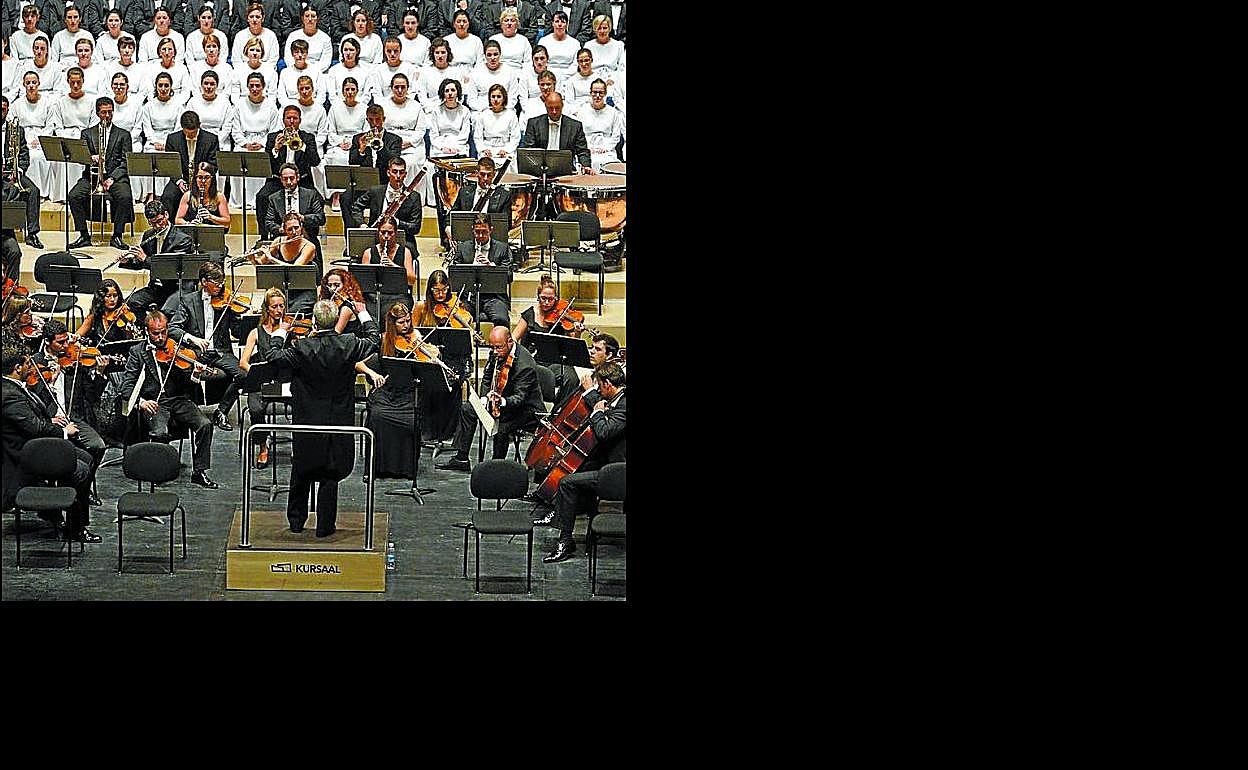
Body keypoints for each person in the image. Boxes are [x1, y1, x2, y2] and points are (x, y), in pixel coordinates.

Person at [264, 298, 378, 537]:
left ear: (314, 321)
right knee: (330, 473)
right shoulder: (348, 343)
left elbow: (272, 355)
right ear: (337, 321)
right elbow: (374, 340)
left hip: (307, 419)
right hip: (338, 419)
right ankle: (325, 527)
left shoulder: (303, 347)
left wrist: (281, 331)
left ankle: (296, 522)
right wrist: (363, 314)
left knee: (302, 467)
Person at [2, 336, 100, 542]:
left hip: (35, 445)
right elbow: (35, 428)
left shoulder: (14, 386)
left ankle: (57, 511)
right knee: (80, 471)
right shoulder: (8, 394)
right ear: (18, 367)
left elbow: (33, 418)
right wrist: (65, 432)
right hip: (24, 455)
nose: (32, 365)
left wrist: (51, 420)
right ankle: (76, 528)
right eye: (28, 363)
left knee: (87, 457)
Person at [532, 360, 625, 562]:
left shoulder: (624, 404)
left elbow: (604, 431)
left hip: (618, 470)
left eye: (599, 386)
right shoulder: (616, 399)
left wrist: (598, 411)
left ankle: (565, 540)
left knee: (567, 483)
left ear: (608, 384)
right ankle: (567, 515)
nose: (598, 391)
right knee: (573, 472)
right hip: (605, 462)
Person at [117, 308, 219, 488]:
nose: (161, 337)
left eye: (164, 331)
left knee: (205, 425)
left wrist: (196, 374)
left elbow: (189, 382)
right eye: (156, 333)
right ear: (147, 331)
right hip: (155, 402)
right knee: (159, 432)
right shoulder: (137, 352)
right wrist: (142, 402)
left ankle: (199, 472)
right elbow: (125, 386)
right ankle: (160, 470)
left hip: (178, 399)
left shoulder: (176, 347)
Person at [436, 323, 543, 471]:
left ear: (510, 342)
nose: (494, 351)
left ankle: (495, 467)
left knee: (502, 427)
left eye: (498, 347)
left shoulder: (525, 365)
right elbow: (487, 377)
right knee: (468, 409)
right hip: (499, 399)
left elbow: (520, 398)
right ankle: (461, 458)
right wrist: (485, 397)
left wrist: (501, 401)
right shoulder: (497, 352)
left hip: (526, 410)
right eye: (491, 347)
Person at [160, 261, 244, 432]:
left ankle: (221, 411)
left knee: (243, 374)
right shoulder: (189, 301)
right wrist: (193, 339)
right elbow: (173, 328)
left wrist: (236, 315)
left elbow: (236, 332)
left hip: (221, 351)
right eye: (216, 282)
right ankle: (187, 411)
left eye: (222, 282)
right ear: (204, 282)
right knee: (180, 369)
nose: (220, 286)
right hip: (197, 351)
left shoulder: (226, 302)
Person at [355, 301, 424, 480]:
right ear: (392, 323)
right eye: (401, 322)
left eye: (408, 321)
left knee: (411, 420)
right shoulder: (383, 339)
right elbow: (359, 364)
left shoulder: (415, 337)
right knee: (377, 416)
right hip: (386, 392)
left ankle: (406, 469)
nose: (406, 325)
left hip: (408, 393)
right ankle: (375, 468)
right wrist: (373, 374)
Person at [30, 318, 108, 476]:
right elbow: (33, 397)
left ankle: (85, 483)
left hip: (73, 417)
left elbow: (92, 395)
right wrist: (51, 380)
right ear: (47, 341)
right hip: (49, 419)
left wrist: (99, 373)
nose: (66, 346)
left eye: (67, 340)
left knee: (98, 446)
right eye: (60, 342)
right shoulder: (35, 363)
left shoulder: (75, 360)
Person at [66, 96, 134, 250]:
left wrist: (112, 178)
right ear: (97, 113)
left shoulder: (123, 135)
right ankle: (84, 235)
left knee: (125, 196)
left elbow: (125, 162)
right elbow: (82, 158)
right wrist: (90, 158)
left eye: (110, 112)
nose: (107, 116)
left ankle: (117, 236)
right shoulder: (87, 133)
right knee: (74, 196)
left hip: (115, 178)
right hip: (92, 177)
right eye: (103, 113)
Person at [121, 200, 193, 323]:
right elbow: (140, 263)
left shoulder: (182, 239)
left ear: (166, 215)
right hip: (155, 288)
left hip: (175, 288)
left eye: (160, 221)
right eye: (153, 223)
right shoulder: (148, 235)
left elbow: (170, 269)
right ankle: (146, 330)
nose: (158, 226)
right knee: (129, 304)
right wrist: (127, 260)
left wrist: (145, 258)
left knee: (164, 314)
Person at [253, 104, 320, 237]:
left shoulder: (308, 138)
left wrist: (303, 146)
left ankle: (310, 236)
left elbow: (315, 161)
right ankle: (264, 236)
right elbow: (267, 165)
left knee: (317, 198)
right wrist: (276, 149)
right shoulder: (273, 137)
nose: (291, 121)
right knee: (261, 197)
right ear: (283, 120)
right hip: (278, 180)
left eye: (295, 118)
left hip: (302, 180)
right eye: (288, 118)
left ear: (300, 120)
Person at [237, 285, 285, 468]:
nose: (279, 310)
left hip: (284, 380)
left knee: (302, 404)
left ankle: (300, 446)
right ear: (267, 308)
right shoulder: (256, 332)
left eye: (282, 306)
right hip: (263, 380)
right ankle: (263, 446)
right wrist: (258, 373)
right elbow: (243, 362)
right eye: (275, 306)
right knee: (255, 409)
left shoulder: (289, 329)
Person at [238, 210, 319, 311]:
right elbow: (260, 264)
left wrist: (271, 258)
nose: (294, 232)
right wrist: (252, 259)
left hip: (303, 292)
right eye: (290, 229)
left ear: (301, 227)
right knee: (268, 310)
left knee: (293, 312)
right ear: (284, 230)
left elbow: (295, 269)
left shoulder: (309, 246)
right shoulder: (278, 241)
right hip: (281, 290)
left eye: (296, 228)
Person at [342, 103, 404, 229]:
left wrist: (380, 145)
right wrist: (362, 149)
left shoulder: (394, 139)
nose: (374, 123)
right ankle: (353, 234)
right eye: (371, 120)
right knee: (346, 198)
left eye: (378, 119)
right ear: (367, 120)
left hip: (384, 185)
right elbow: (352, 162)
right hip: (363, 186)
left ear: (384, 119)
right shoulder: (358, 138)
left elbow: (394, 160)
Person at [227, 71, 279, 209]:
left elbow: (274, 130)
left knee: (260, 159)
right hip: (244, 143)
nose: (255, 89)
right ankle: (239, 201)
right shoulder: (239, 105)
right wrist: (245, 143)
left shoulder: (271, 106)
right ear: (247, 87)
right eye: (252, 86)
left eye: (258, 85)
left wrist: (262, 143)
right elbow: (235, 130)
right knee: (237, 158)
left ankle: (257, 201)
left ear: (263, 87)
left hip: (263, 143)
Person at [133, 71, 187, 204]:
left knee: (169, 156)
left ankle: (165, 194)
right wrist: (155, 142)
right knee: (150, 154)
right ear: (156, 87)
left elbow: (178, 128)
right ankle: (151, 193)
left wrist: (167, 143)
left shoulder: (178, 106)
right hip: (153, 141)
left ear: (171, 87)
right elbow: (147, 128)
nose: (163, 89)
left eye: (166, 86)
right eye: (160, 85)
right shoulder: (148, 106)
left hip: (171, 141)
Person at [449, 211, 512, 326]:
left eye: (484, 232)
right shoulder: (463, 248)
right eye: (477, 232)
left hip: (494, 297)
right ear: (472, 229)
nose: (481, 236)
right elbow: (454, 275)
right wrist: (471, 268)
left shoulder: (502, 249)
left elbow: (509, 276)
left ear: (491, 229)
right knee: (456, 319)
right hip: (469, 297)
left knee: (501, 320)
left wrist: (492, 267)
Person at [351, 157, 422, 257]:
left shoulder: (414, 197)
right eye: (394, 172)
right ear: (388, 173)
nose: (398, 176)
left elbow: (415, 228)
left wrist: (397, 222)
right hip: (376, 236)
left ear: (405, 174)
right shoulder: (376, 191)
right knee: (357, 251)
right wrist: (362, 224)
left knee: (408, 251)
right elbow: (356, 207)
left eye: (401, 172)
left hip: (401, 240)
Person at [0, 95, 44, 249]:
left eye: (3, 110)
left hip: (13, 173)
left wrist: (17, 170)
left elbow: (24, 155)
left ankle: (32, 234)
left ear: (7, 110)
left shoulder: (17, 130)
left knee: (33, 191)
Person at [158, 109, 219, 219]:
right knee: (168, 196)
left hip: (203, 179)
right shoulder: (172, 139)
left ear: (199, 126)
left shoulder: (211, 139)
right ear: (182, 128)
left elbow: (213, 165)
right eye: (187, 133)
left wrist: (199, 180)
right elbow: (170, 165)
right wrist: (179, 181)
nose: (190, 135)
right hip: (182, 179)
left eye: (194, 132)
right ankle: (170, 228)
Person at [520, 91, 592, 179]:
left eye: (557, 108)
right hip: (539, 173)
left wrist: (586, 165)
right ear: (545, 106)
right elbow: (528, 151)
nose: (554, 112)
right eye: (550, 108)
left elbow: (582, 151)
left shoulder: (575, 126)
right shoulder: (534, 124)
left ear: (562, 105)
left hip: (565, 173)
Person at [321, 76, 368, 212]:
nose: (350, 92)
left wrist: (355, 143)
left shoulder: (363, 108)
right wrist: (340, 142)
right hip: (338, 143)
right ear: (342, 91)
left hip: (357, 143)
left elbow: (365, 131)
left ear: (357, 91)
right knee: (338, 158)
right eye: (347, 89)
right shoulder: (335, 108)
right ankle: (337, 194)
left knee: (355, 158)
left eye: (353, 89)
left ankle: (356, 196)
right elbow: (330, 131)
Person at [8, 71, 54, 199]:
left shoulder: (48, 103)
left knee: (39, 156)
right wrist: (25, 141)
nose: (31, 86)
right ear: (23, 85)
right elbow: (13, 126)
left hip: (41, 139)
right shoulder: (16, 104)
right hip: (23, 140)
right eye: (28, 83)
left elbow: (50, 125)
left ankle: (42, 192)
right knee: (30, 157)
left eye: (34, 82)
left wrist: (40, 140)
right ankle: (28, 193)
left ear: (39, 84)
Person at [359, 216, 418, 312]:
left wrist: (393, 267)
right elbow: (364, 283)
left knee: (390, 310)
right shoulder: (368, 253)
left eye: (390, 233)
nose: (386, 236)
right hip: (374, 296)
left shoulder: (405, 252)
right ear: (378, 232)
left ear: (396, 233)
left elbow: (411, 280)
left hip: (398, 295)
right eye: (382, 232)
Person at [571, 77, 622, 171]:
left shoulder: (613, 112)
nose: (597, 95)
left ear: (605, 93)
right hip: (587, 150)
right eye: (594, 92)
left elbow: (616, 136)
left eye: (601, 92)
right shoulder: (582, 111)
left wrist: (605, 148)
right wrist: (588, 148)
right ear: (590, 93)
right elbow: (578, 136)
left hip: (607, 151)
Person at [466, 38, 517, 113]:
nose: (492, 58)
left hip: (504, 110)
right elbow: (471, 100)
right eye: (489, 55)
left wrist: (500, 109)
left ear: (500, 54)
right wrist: (486, 109)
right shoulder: (475, 72)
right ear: (484, 56)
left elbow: (513, 98)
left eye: (495, 54)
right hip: (482, 111)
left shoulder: (510, 72)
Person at [175, 160, 230, 227]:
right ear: (195, 179)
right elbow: (178, 220)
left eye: (207, 177)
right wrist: (189, 224)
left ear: (212, 179)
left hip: (213, 234)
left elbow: (227, 222)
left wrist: (211, 217)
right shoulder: (187, 196)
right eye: (200, 177)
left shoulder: (219, 196)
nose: (203, 181)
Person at [186, 37, 241, 103]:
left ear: (219, 50)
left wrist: (218, 103)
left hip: (221, 102)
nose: (211, 50)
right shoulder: (195, 67)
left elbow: (227, 91)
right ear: (204, 49)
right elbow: (194, 89)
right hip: (200, 101)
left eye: (214, 46)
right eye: (208, 46)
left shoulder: (227, 68)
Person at [365, 35, 419, 102]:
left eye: (395, 51)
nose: (392, 54)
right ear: (384, 51)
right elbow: (377, 95)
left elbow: (412, 93)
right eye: (389, 51)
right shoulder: (377, 70)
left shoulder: (410, 69)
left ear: (400, 51)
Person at [282, 7, 332, 75]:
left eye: (313, 16)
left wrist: (310, 71)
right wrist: (298, 69)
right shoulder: (293, 36)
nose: (310, 19)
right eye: (307, 16)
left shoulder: (325, 38)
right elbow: (288, 57)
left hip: (317, 73)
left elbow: (326, 62)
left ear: (317, 19)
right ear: (302, 19)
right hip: (296, 71)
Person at [317, 267, 366, 333]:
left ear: (346, 285)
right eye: (329, 285)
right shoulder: (332, 302)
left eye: (337, 285)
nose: (332, 288)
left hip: (347, 342)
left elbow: (336, 332)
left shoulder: (346, 308)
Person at [231, 32, 278, 99]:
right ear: (246, 51)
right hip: (243, 104)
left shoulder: (270, 70)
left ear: (262, 53)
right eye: (252, 50)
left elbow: (272, 95)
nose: (255, 53)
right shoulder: (238, 70)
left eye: (258, 50)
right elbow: (235, 94)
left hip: (264, 104)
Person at [535, 9, 579, 76]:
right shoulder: (543, 41)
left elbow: (576, 64)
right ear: (552, 23)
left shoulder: (575, 43)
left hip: (569, 77)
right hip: (547, 77)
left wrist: (564, 75)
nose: (559, 24)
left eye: (563, 22)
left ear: (567, 24)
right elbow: (540, 62)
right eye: (557, 21)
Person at [582, 11, 623, 76]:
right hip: (592, 79)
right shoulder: (588, 45)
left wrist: (613, 79)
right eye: (599, 28)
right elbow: (584, 66)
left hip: (613, 79)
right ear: (595, 30)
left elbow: (621, 68)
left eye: (605, 28)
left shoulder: (619, 45)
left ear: (610, 29)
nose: (602, 31)